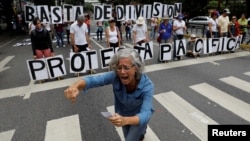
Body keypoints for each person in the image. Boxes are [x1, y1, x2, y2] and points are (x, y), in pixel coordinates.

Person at [64, 48, 154, 141]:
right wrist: (75, 86)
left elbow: (146, 113)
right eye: (119, 67)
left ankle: (141, 130)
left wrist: (126, 120)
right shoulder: (115, 75)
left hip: (138, 117)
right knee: (129, 136)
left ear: (136, 68)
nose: (122, 72)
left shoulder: (147, 86)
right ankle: (140, 134)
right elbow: (94, 80)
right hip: (122, 114)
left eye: (126, 68)